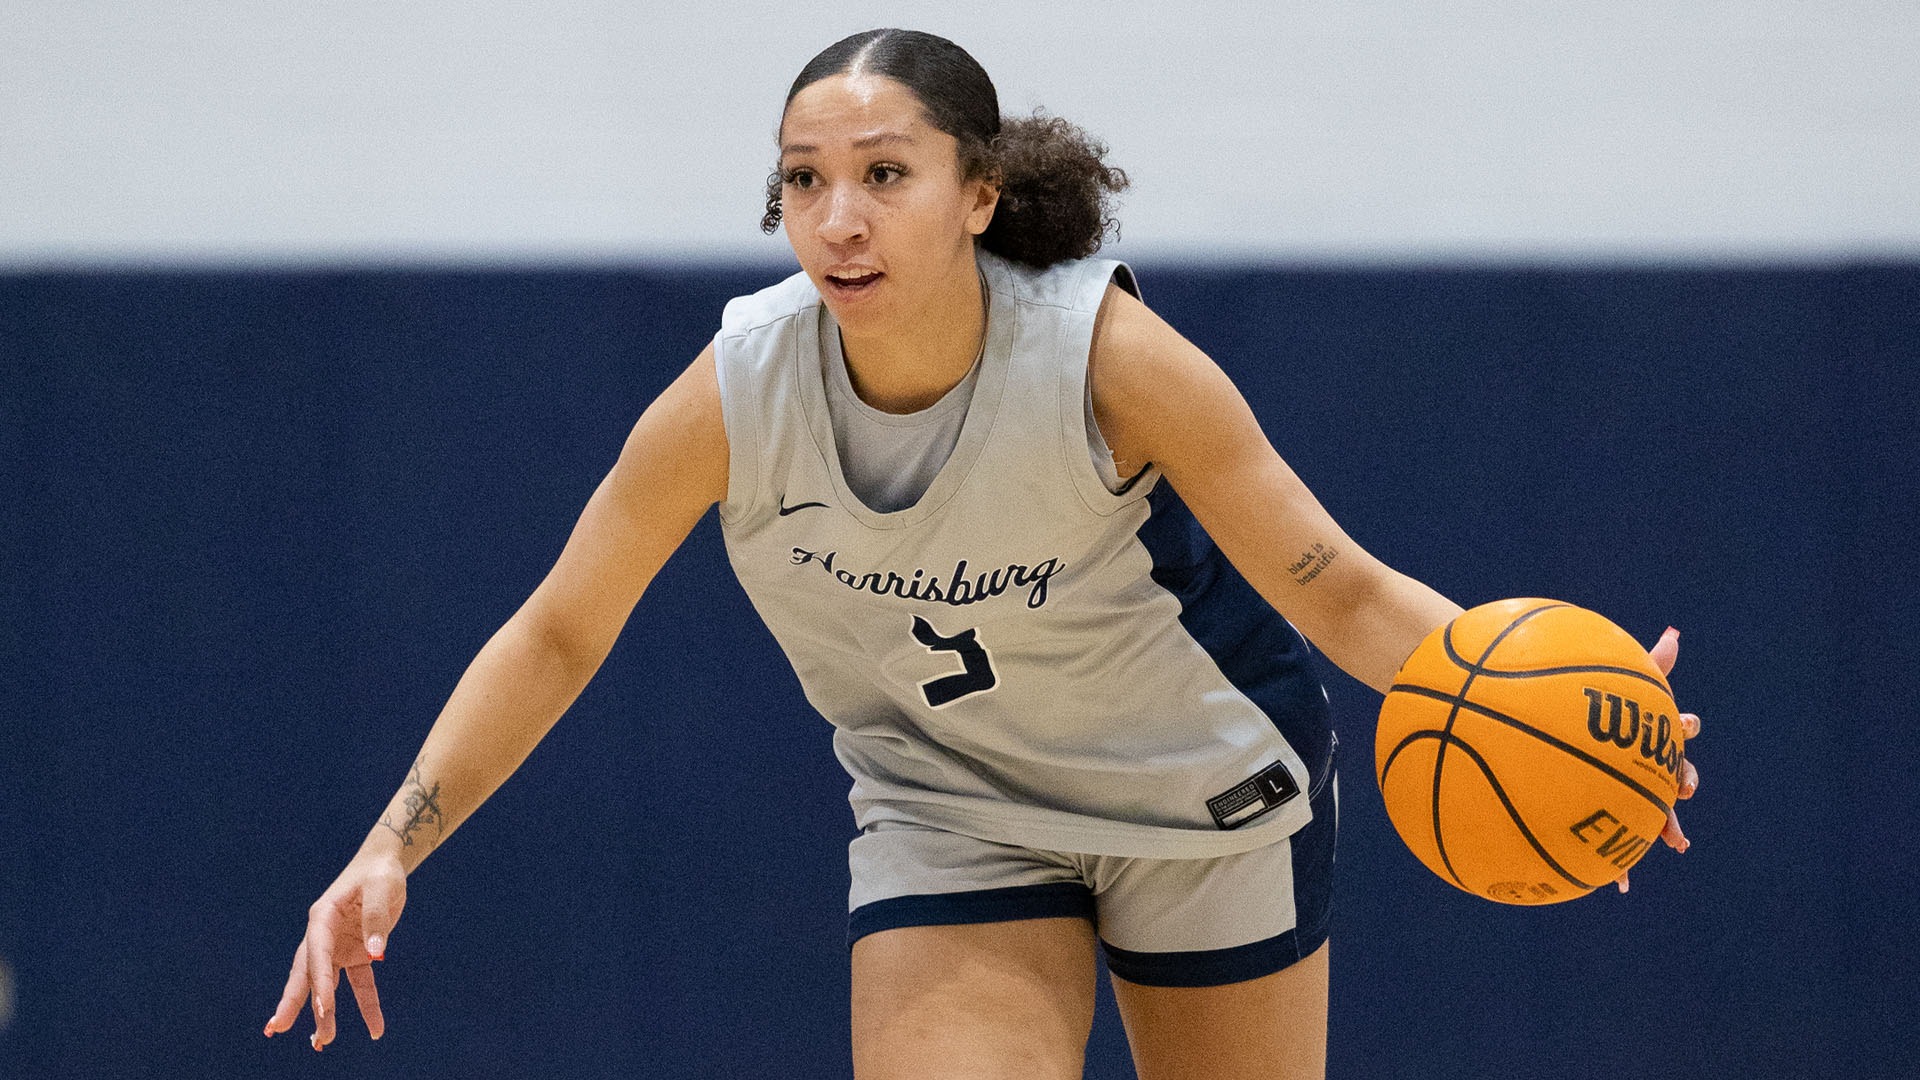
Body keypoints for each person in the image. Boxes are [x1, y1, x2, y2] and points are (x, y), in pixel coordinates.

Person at [263, 28, 1701, 1078]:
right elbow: (559, 630)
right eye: (804, 179)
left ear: (978, 195)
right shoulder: (734, 393)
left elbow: (1339, 587)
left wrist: (1563, 714)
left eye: (884, 173)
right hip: (954, 808)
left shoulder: (1110, 358)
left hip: (1206, 798)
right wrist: (395, 844)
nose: (837, 217)